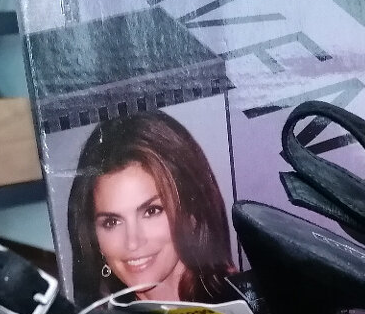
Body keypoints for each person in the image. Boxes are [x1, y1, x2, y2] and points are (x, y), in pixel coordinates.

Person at [67, 111, 237, 304]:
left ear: (192, 211)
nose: (133, 242)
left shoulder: (252, 302)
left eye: (151, 211)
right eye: (112, 222)